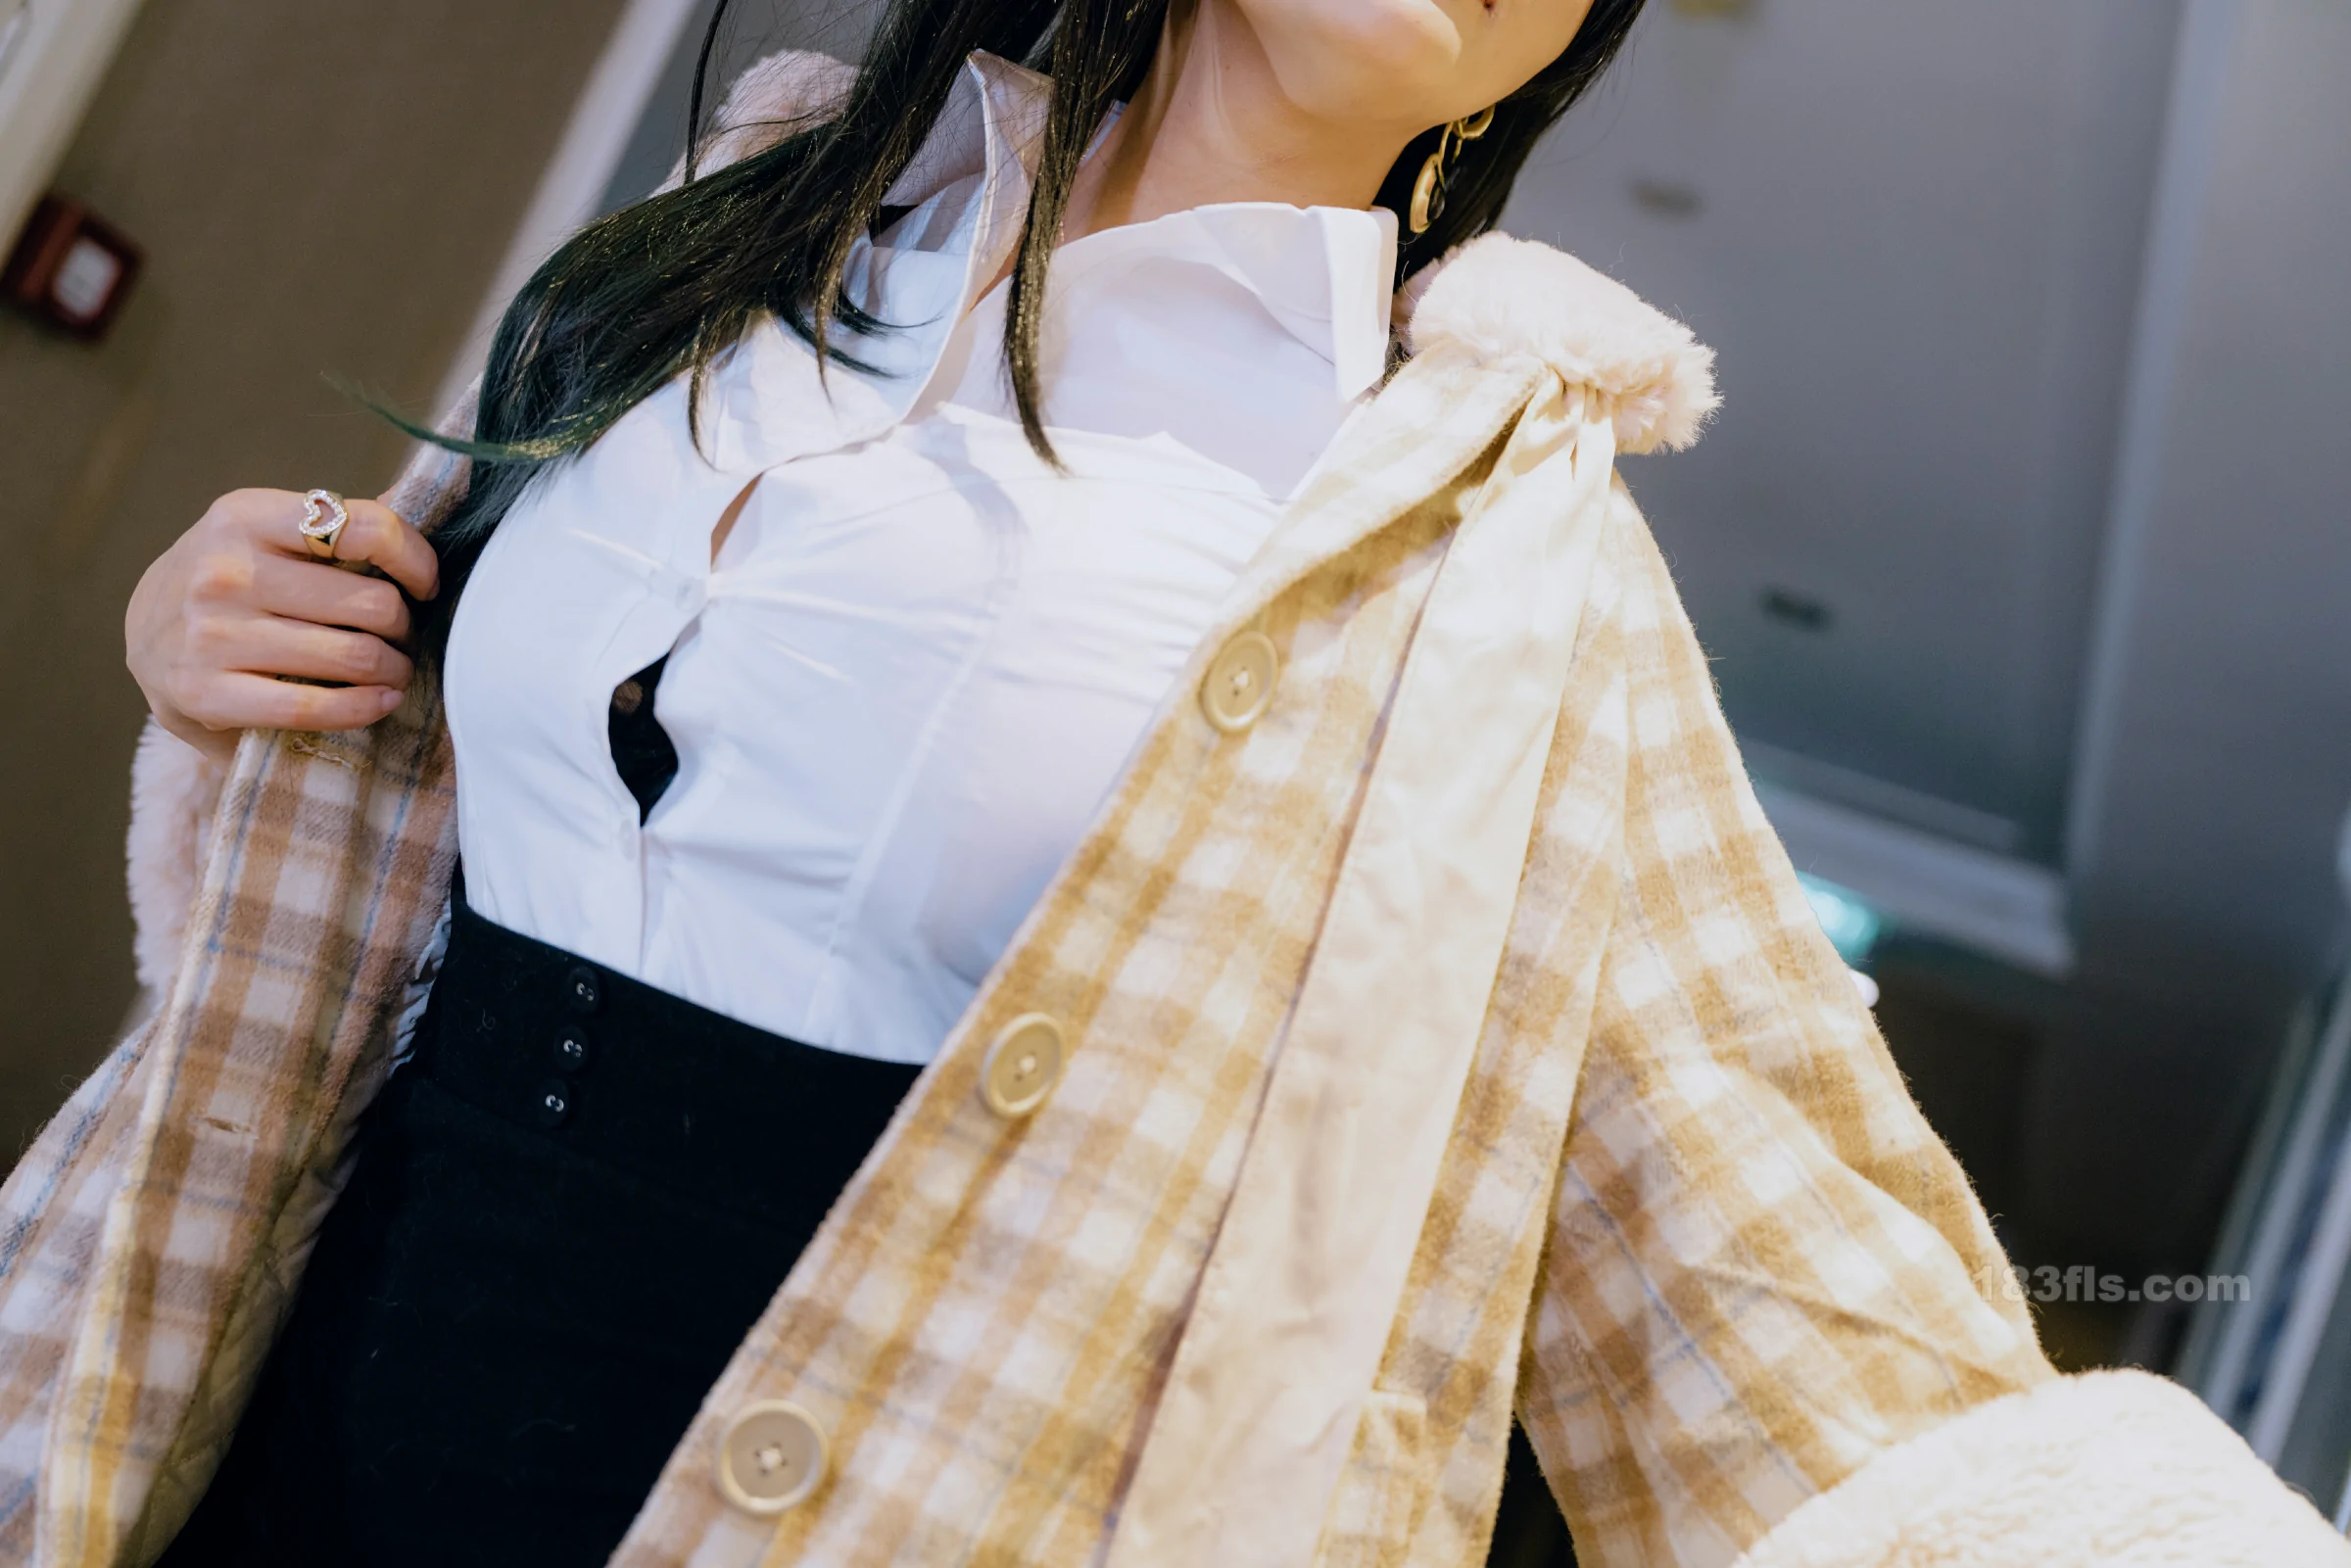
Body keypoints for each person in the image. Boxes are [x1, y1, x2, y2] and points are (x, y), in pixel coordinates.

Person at [1, 1, 2341, 1564]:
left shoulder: (1489, 566)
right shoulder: (719, 259)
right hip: (245, 1432)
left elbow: (1803, 1310)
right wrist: (227, 636)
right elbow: (391, 894)